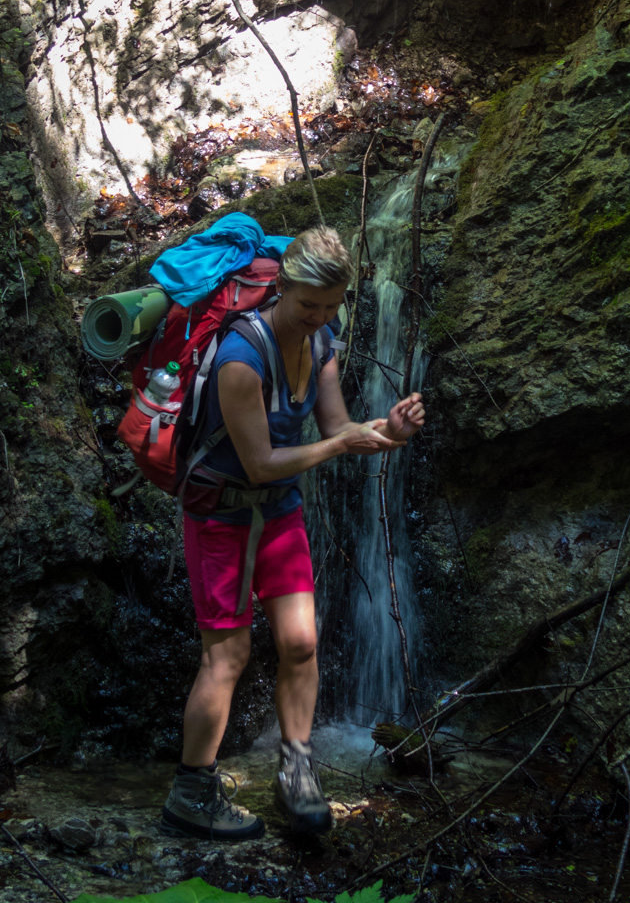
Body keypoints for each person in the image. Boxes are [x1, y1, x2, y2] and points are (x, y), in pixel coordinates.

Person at [160, 226, 425, 840]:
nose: (320, 317)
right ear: (283, 287)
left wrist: (390, 429)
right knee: (227, 656)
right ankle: (190, 793)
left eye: (332, 307)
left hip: (278, 511)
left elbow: (339, 427)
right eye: (310, 305)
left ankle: (296, 772)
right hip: (219, 514)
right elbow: (259, 462)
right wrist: (335, 444)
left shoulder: (323, 341)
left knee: (301, 643)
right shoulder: (239, 358)